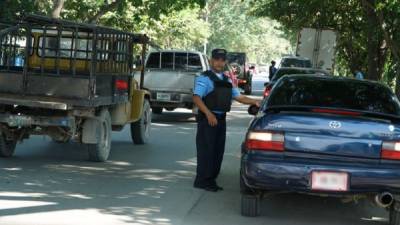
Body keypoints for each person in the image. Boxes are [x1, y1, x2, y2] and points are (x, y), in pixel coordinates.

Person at [193, 49, 260, 192]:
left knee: (217, 151)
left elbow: (239, 97)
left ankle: (211, 179)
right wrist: (208, 114)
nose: (219, 62)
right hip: (208, 120)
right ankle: (202, 181)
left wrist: (256, 102)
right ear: (211, 60)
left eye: (222, 60)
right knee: (207, 151)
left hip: (221, 120)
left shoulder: (226, 80)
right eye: (216, 59)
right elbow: (196, 98)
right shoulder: (204, 78)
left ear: (225, 62)